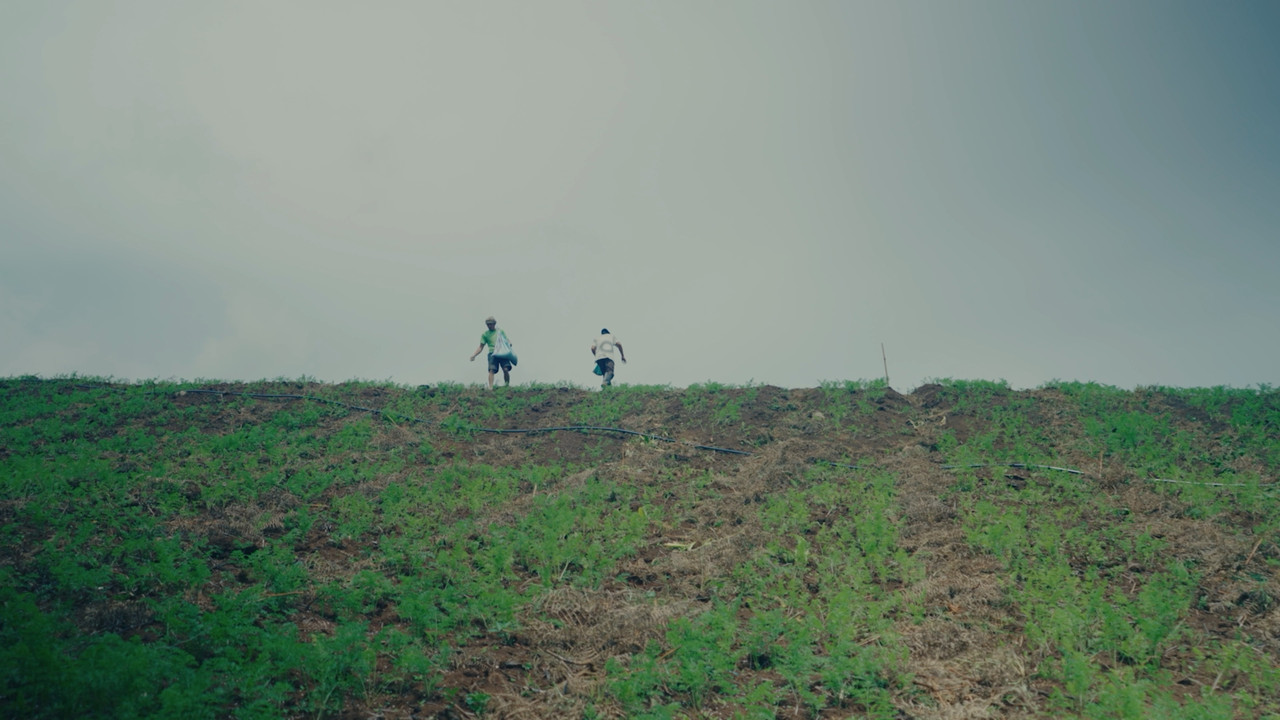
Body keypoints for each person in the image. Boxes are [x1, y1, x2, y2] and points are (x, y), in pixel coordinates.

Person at [470, 316, 513, 389]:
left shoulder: (500, 331)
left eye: (491, 324)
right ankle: (490, 388)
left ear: (494, 324)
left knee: (506, 369)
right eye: (488, 324)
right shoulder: (485, 334)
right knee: (491, 370)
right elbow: (481, 347)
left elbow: (506, 339)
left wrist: (509, 343)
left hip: (502, 352)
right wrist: (474, 355)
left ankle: (507, 385)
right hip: (492, 353)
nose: (489, 326)